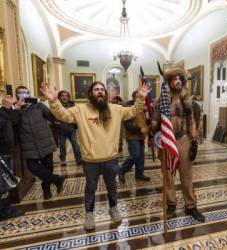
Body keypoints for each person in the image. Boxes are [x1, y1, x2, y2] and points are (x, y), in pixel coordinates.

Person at [40, 81, 149, 230]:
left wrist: (141, 98)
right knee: (90, 188)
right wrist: (53, 100)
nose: (100, 92)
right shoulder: (80, 110)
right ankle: (89, 213)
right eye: (96, 89)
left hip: (110, 159)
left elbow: (133, 110)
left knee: (112, 186)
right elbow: (63, 115)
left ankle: (113, 208)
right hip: (90, 161)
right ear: (90, 93)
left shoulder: (116, 109)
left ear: (106, 94)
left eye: (102, 90)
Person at [152, 67, 205, 222]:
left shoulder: (189, 102)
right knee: (168, 175)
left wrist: (194, 142)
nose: (176, 82)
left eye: (179, 79)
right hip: (166, 141)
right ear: (169, 82)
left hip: (183, 140)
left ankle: (191, 206)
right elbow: (155, 121)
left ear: (182, 82)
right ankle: (171, 204)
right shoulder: (161, 101)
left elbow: (193, 122)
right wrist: (152, 131)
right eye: (173, 79)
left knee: (186, 175)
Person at [14, 86, 65, 200]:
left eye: (25, 93)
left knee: (48, 167)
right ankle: (56, 179)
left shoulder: (38, 105)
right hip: (28, 144)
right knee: (32, 167)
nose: (23, 95)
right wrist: (16, 108)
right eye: (20, 93)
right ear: (16, 95)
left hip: (45, 141)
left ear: (29, 93)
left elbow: (52, 117)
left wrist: (49, 103)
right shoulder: (15, 108)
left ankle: (46, 191)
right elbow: (14, 122)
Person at [0, 95, 25, 221]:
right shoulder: (2, 113)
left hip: (7, 151)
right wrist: (7, 107)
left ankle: (6, 208)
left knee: (6, 182)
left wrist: (14, 108)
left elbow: (12, 121)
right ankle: (4, 211)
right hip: (2, 152)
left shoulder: (4, 113)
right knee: (3, 184)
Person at [119, 91, 150, 183]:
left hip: (141, 136)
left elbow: (145, 121)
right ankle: (121, 170)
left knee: (141, 157)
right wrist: (139, 129)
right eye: (138, 96)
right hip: (132, 137)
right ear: (133, 98)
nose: (140, 98)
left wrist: (148, 119)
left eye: (141, 97)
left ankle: (139, 174)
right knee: (135, 155)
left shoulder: (142, 109)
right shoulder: (129, 108)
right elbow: (127, 124)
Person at [56, 90, 82, 167]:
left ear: (68, 97)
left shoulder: (73, 105)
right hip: (61, 130)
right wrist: (55, 122)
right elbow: (52, 115)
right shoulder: (57, 106)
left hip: (71, 129)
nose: (64, 97)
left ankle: (79, 160)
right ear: (59, 97)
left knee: (76, 145)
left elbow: (77, 116)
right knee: (62, 146)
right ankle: (63, 160)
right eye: (62, 96)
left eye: (66, 96)